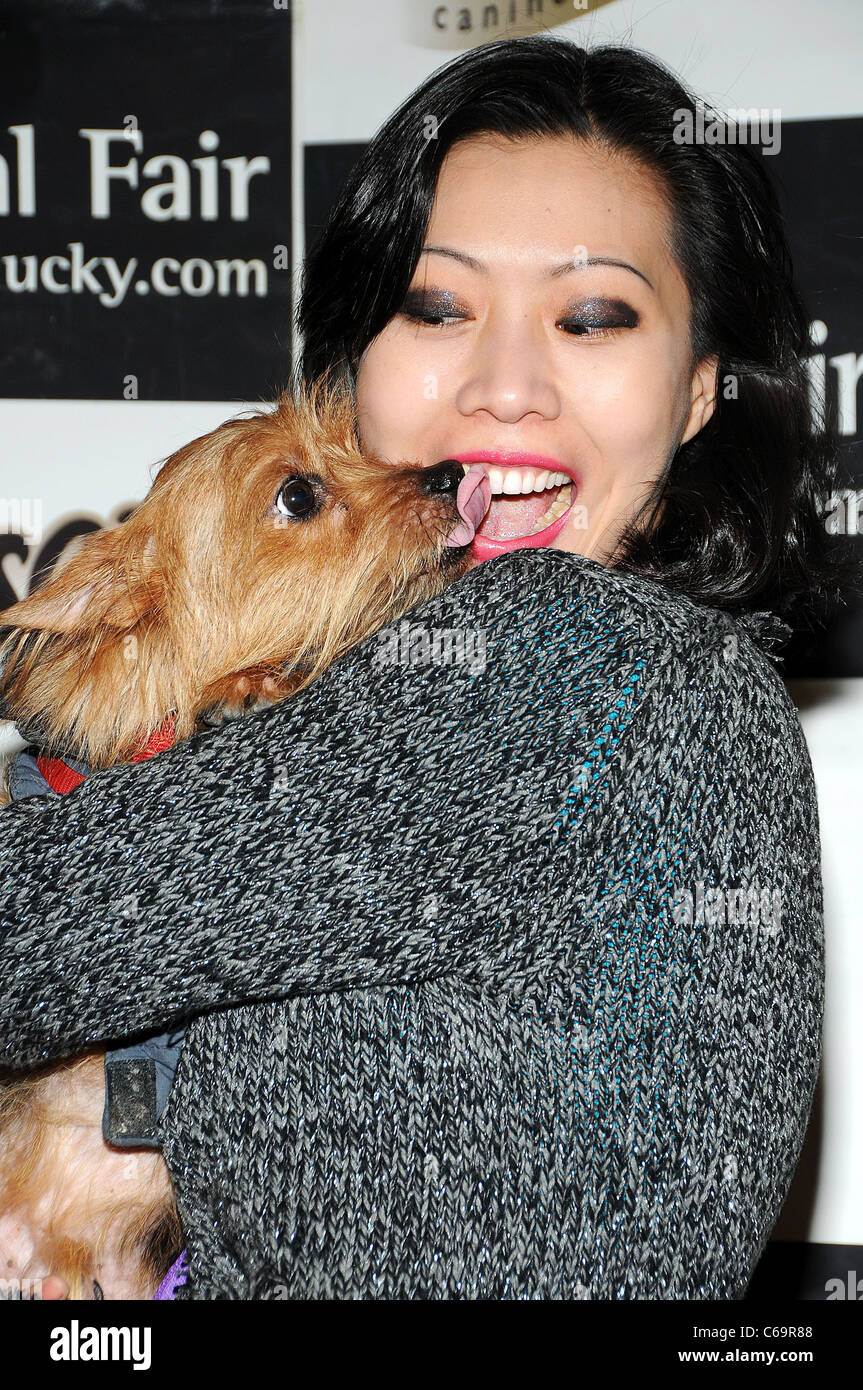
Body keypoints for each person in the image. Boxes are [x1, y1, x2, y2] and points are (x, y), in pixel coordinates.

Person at [0, 35, 855, 1300]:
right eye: (438, 306)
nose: (503, 387)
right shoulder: (502, 693)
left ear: (697, 391)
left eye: (592, 315)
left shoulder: (590, 661)